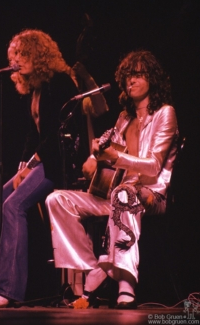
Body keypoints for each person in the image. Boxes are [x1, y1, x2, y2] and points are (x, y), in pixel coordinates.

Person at [45, 50, 179, 309]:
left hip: (151, 195)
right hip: (117, 195)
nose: (131, 80)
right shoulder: (124, 118)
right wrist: (94, 159)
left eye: (139, 75)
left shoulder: (165, 113)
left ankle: (126, 284)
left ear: (152, 78)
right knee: (57, 199)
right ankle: (96, 268)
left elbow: (152, 168)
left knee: (124, 194)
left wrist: (114, 159)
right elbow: (106, 163)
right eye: (128, 75)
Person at [0, 29, 79, 308]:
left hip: (56, 165)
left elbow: (57, 133)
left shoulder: (59, 83)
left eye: (24, 54)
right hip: (39, 162)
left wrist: (32, 163)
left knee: (13, 207)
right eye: (15, 55)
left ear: (39, 54)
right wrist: (23, 164)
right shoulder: (34, 89)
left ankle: (7, 289)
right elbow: (31, 135)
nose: (18, 60)